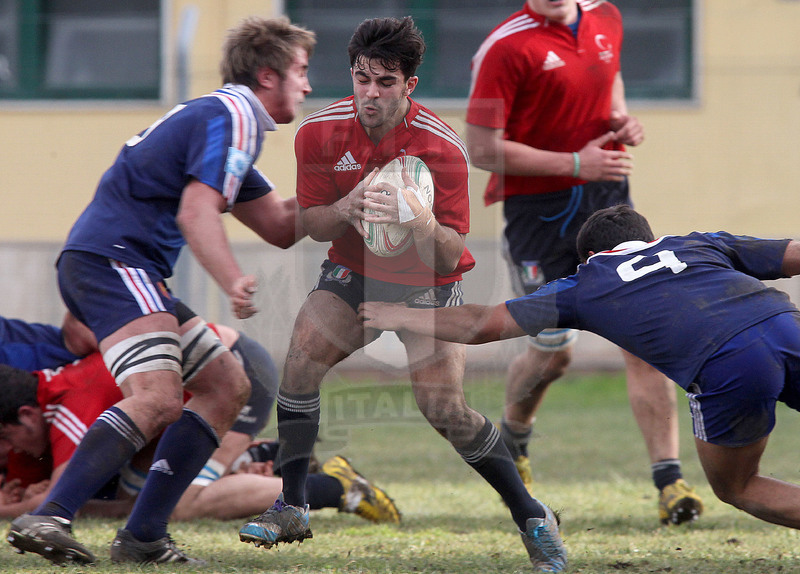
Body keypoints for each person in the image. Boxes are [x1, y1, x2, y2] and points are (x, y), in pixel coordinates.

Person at [236, 16, 567, 573]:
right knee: (298, 362)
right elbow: (314, 226)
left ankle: (532, 516)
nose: (370, 92)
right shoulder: (319, 132)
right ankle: (292, 504)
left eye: (385, 81)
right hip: (353, 272)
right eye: (362, 78)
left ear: (408, 85)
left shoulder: (443, 149)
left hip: (427, 284)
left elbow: (448, 254)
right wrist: (345, 209)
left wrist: (419, 222)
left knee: (445, 410)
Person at [5, 16, 316, 567]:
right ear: (268, 76)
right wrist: (231, 282)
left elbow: (280, 224)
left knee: (225, 385)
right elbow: (196, 211)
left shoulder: (219, 119)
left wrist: (354, 195)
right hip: (115, 263)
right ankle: (50, 516)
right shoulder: (236, 114)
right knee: (158, 398)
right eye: (301, 71)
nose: (308, 86)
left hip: (118, 266)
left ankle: (144, 534)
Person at [361, 204, 800, 537]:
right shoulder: (697, 242)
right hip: (786, 326)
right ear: (650, 237)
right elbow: (793, 254)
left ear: (591, 255)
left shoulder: (585, 283)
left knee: (738, 485)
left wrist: (398, 313)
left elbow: (481, 324)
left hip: (726, 362)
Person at [465, 0, 703, 524]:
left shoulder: (607, 18)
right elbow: (480, 149)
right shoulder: (505, 47)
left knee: (645, 336)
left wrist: (621, 118)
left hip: (609, 200)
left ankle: (671, 483)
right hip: (539, 216)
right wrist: (575, 162)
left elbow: (609, 79)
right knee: (554, 353)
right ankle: (515, 438)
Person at [0, 323, 400, 526]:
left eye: (6, 439)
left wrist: (17, 507)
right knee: (136, 501)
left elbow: (54, 501)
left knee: (177, 504)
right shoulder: (48, 396)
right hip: (201, 385)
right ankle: (256, 457)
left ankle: (339, 488)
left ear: (27, 415)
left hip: (235, 372)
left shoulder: (72, 406)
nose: (9, 450)